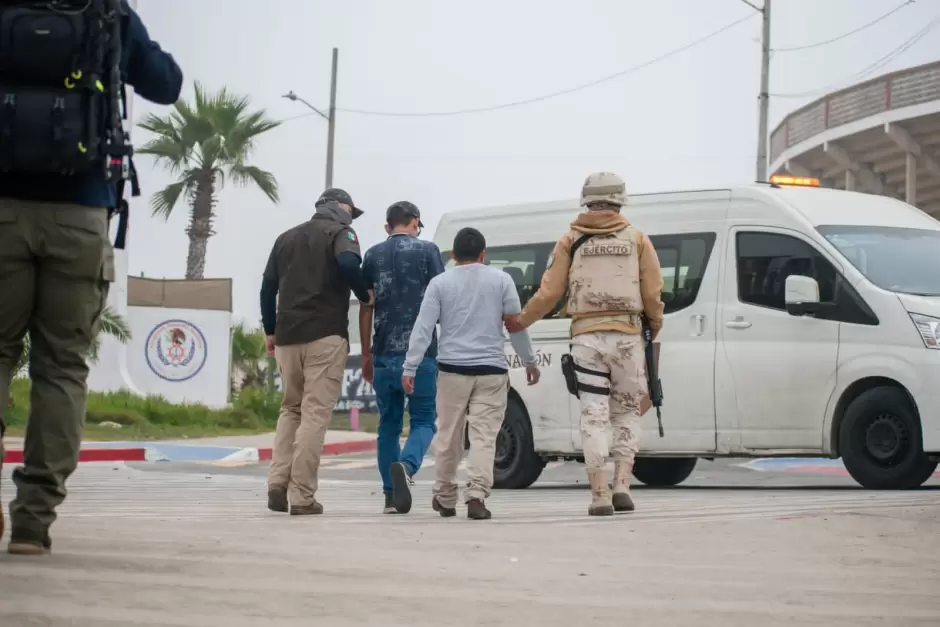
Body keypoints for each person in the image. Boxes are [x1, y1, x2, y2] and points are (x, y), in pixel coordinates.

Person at [0, 0, 183, 555]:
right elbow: (166, 83)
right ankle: (34, 518)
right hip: (80, 216)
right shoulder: (105, 11)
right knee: (61, 370)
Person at [504, 172, 664, 516]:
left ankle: (599, 494)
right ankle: (622, 484)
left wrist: (521, 321)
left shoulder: (570, 240)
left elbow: (549, 292)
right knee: (626, 414)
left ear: (587, 200)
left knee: (594, 416)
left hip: (587, 340)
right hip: (628, 338)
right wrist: (654, 326)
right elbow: (653, 293)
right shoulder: (637, 239)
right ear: (620, 199)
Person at [403, 227, 540, 520]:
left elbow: (423, 328)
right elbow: (515, 325)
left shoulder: (439, 284)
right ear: (483, 254)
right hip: (491, 370)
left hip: (452, 370)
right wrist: (529, 361)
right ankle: (477, 495)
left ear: (453, 256)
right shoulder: (502, 280)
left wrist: (410, 366)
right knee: (483, 437)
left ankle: (445, 497)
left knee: (449, 435)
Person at [260, 188, 371, 516]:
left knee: (290, 409)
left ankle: (277, 484)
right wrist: (365, 294)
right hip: (324, 335)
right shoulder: (342, 233)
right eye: (351, 210)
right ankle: (303, 496)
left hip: (287, 337)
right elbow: (349, 262)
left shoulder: (285, 238)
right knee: (314, 413)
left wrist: (270, 330)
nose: (353, 217)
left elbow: (268, 288)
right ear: (338, 207)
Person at [359, 202, 444, 515]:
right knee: (423, 420)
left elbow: (366, 306)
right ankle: (406, 468)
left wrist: (367, 353)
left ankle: (390, 495)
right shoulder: (428, 252)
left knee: (388, 426)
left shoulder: (372, 255)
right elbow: (442, 299)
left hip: (383, 354)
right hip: (420, 355)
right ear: (416, 222)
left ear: (387, 226)